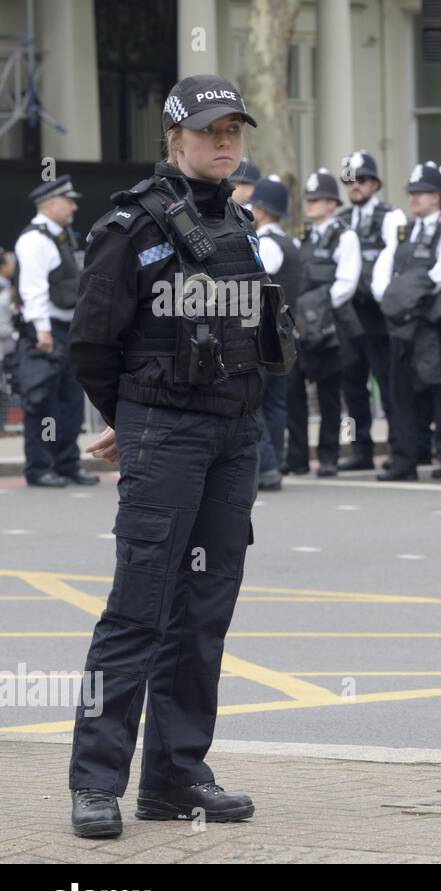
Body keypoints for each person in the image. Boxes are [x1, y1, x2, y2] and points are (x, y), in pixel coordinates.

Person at [65, 73, 273, 838]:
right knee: (136, 611)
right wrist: (132, 416)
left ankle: (176, 776)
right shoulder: (131, 226)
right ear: (175, 138)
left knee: (203, 614)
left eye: (234, 131)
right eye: (210, 130)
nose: (224, 142)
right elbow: (92, 340)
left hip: (233, 434)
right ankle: (95, 782)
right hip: (168, 432)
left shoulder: (242, 223)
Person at [371, 161, 441, 482]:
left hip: (434, 326)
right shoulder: (402, 232)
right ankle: (403, 461)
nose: (414, 199)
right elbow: (382, 274)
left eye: (422, 193)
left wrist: (407, 295)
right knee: (401, 397)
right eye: (412, 193)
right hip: (402, 324)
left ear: (438, 196)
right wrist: (394, 299)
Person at [14, 174, 98, 487]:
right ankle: (40, 466)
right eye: (68, 200)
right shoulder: (35, 239)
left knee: (70, 400)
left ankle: (66, 462)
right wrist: (42, 332)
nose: (73, 206)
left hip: (66, 329)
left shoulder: (58, 235)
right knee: (43, 402)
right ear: (50, 204)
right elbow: (32, 290)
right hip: (46, 331)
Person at [284, 168, 360, 478]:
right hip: (300, 326)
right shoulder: (299, 236)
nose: (311, 204)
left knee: (330, 394)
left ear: (332, 204)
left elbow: (346, 282)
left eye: (319, 199)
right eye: (309, 199)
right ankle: (298, 456)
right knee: (294, 391)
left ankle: (330, 455)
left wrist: (318, 312)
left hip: (329, 327)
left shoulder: (345, 235)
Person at [337, 149, 404, 472]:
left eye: (362, 180)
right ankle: (358, 447)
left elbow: (396, 262)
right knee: (352, 388)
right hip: (350, 317)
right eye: (350, 181)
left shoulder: (391, 217)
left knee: (389, 383)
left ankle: (398, 446)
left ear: (375, 183)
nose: (355, 186)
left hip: (379, 316)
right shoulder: (341, 220)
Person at [249, 175, 299, 490]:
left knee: (255, 402)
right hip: (285, 336)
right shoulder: (289, 242)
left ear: (263, 210)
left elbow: (254, 287)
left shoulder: (265, 244)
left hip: (263, 336)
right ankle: (275, 462)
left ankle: (267, 466)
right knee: (276, 404)